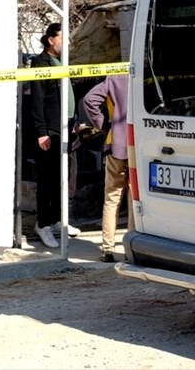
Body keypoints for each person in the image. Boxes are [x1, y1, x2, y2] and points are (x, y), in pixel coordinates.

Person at [25, 22, 80, 249]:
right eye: (62, 38)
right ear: (50, 40)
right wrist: (42, 133)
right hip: (49, 131)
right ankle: (43, 223)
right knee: (47, 179)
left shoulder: (62, 62)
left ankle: (57, 219)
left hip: (66, 128)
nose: (65, 43)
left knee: (61, 178)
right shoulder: (41, 63)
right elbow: (36, 102)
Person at [81, 73, 131, 262]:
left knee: (112, 199)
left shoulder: (113, 79)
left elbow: (89, 100)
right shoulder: (141, 77)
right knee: (134, 201)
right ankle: (130, 250)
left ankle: (108, 250)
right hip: (137, 144)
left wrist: (104, 125)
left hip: (115, 143)